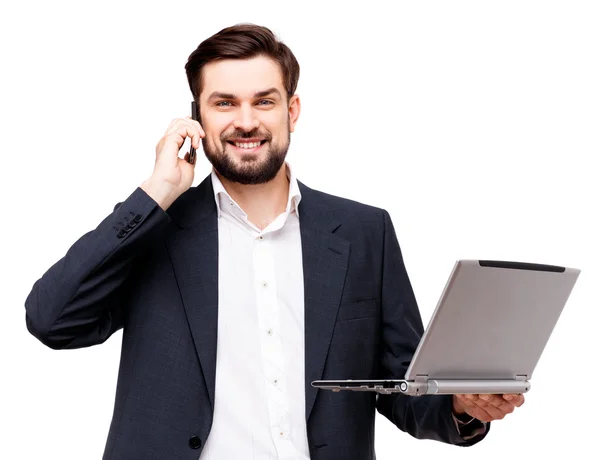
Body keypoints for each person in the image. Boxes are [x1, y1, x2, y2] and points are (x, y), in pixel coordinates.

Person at [24, 23, 524, 460]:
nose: (246, 121)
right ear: (195, 116)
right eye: (224, 103)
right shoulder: (157, 228)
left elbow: (400, 386)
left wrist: (460, 406)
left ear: (293, 108)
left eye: (264, 100)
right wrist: (155, 194)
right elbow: (53, 320)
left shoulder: (361, 232)